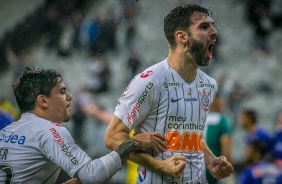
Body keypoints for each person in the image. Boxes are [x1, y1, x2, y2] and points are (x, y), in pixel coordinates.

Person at [104, 4, 233, 183]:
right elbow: (112, 137)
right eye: (204, 26)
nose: (214, 32)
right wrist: (159, 166)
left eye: (212, 25)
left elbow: (190, 135)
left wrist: (210, 161)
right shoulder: (149, 81)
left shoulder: (209, 85)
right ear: (182, 37)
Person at [0, 67, 146, 184]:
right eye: (62, 91)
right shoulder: (49, 130)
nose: (70, 96)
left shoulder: (6, 131)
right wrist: (130, 144)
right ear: (43, 101)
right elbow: (92, 175)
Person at [204, 94, 233, 184]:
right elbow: (226, 150)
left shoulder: (200, 118)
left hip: (196, 166)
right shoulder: (222, 121)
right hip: (214, 167)